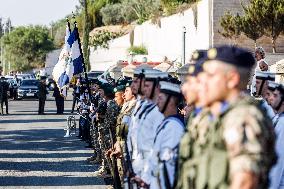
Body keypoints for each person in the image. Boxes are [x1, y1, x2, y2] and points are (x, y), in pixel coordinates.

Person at [178, 45, 276, 189]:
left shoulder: (243, 116)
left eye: (210, 76)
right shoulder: (217, 114)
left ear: (232, 79)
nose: (203, 82)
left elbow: (244, 181)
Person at [135, 79, 185, 189]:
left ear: (171, 101)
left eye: (160, 99)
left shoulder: (173, 127)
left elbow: (168, 166)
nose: (157, 102)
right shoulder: (167, 123)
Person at [267, 81, 284, 189]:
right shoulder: (278, 119)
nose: (271, 98)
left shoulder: (282, 124)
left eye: (275, 95)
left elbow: (278, 160)